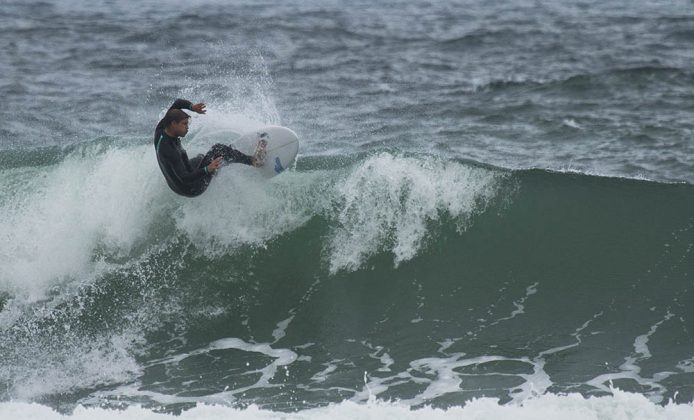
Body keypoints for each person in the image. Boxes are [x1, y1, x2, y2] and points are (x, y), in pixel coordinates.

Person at [153, 99, 265, 197]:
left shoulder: (162, 129)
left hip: (175, 184)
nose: (187, 128)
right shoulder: (169, 151)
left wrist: (192, 107)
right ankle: (254, 161)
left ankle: (222, 161)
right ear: (173, 123)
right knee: (218, 149)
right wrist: (208, 169)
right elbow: (185, 178)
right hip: (191, 188)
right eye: (184, 124)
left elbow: (177, 103)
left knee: (201, 157)